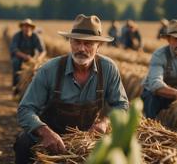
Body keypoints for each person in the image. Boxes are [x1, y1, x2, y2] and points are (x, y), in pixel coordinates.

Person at [13, 14, 129, 164]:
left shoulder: (108, 69)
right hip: (52, 133)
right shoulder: (50, 70)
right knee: (23, 143)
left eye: (88, 43)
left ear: (99, 46)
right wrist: (45, 132)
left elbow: (122, 105)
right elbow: (25, 109)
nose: (81, 48)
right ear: (69, 41)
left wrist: (105, 122)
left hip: (89, 137)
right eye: (77, 42)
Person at [9, 18, 45, 93]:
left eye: (29, 26)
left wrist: (39, 59)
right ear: (22, 27)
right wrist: (24, 56)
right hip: (19, 58)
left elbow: (43, 51)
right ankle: (15, 87)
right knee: (16, 63)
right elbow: (14, 50)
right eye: (25, 26)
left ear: (32, 28)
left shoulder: (36, 36)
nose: (27, 28)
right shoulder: (17, 36)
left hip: (32, 59)